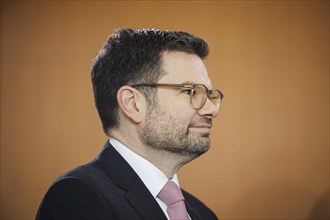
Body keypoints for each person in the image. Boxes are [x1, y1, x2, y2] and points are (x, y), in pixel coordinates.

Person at [36, 28, 223, 220]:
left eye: (209, 95)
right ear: (132, 104)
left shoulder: (203, 214)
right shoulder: (77, 197)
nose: (211, 109)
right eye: (190, 91)